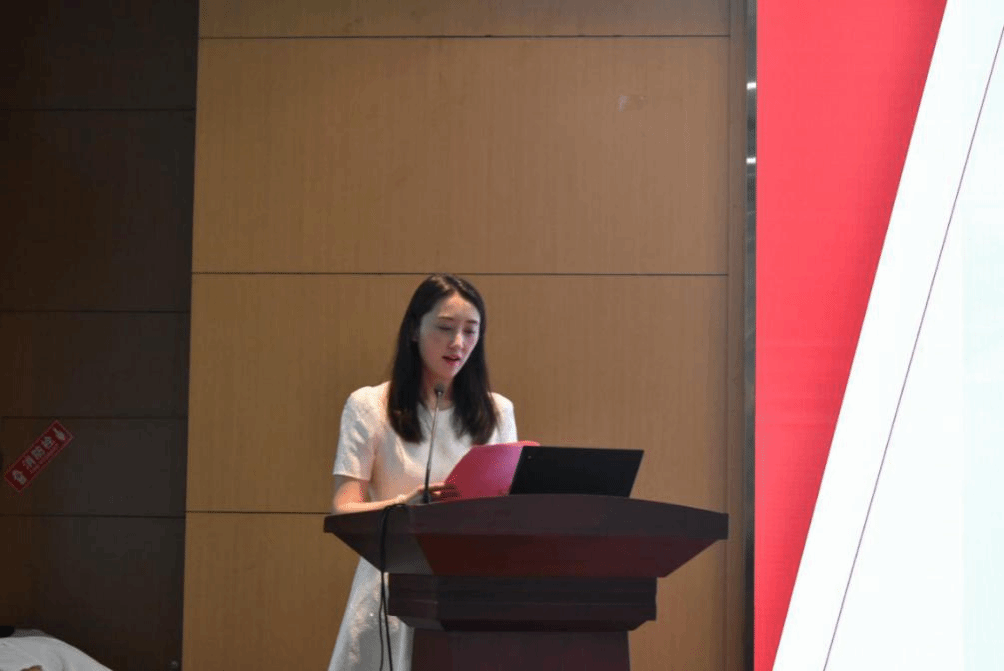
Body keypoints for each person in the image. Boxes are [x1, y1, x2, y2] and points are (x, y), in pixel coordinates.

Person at [327, 273, 518, 671]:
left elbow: (509, 508)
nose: (458, 343)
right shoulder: (369, 406)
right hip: (392, 590)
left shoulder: (498, 412)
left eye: (471, 331)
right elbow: (344, 508)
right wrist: (405, 506)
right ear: (414, 330)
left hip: (471, 594)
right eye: (445, 328)